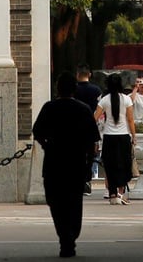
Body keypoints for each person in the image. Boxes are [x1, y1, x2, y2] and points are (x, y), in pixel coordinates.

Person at [33, 72, 101, 258]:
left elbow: (37, 131)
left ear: (57, 88)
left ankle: (65, 236)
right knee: (74, 201)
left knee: (55, 202)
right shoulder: (84, 109)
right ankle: (71, 235)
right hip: (76, 162)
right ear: (75, 89)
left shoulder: (49, 107)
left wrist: (47, 145)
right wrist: (89, 161)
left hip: (54, 161)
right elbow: (93, 139)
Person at [93, 73, 135, 205]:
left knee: (110, 165)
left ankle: (112, 194)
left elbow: (94, 118)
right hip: (123, 136)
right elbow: (130, 120)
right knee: (123, 165)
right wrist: (134, 135)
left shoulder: (104, 100)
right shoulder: (127, 99)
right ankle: (121, 193)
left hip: (108, 137)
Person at [73, 65, 103, 186]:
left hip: (75, 126)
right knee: (90, 155)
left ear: (77, 74)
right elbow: (100, 110)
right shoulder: (97, 90)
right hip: (91, 125)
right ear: (89, 75)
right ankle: (87, 181)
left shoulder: (73, 89)